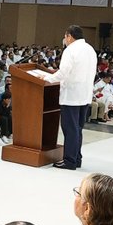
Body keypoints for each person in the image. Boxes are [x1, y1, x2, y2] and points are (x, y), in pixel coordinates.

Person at [37, 25, 96, 170]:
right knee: (78, 128)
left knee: (70, 129)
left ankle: (69, 160)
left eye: (65, 37)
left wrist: (46, 77)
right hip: (85, 94)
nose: (65, 40)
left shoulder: (71, 50)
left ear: (69, 36)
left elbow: (63, 72)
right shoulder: (90, 49)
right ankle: (76, 158)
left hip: (72, 95)